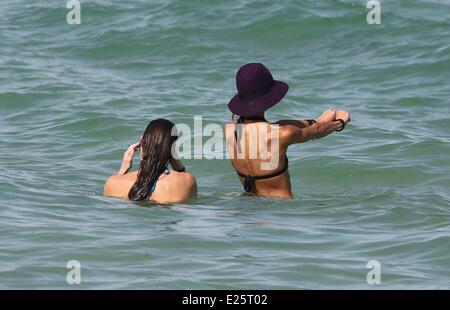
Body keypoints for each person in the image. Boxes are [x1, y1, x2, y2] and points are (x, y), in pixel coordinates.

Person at [225, 63, 351, 199]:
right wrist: (340, 122)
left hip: (249, 206)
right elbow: (316, 132)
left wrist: (317, 121)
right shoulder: (283, 133)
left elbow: (271, 128)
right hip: (279, 210)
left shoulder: (229, 130)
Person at [104, 119, 197, 203]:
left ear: (142, 143)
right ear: (172, 150)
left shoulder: (112, 182)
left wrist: (122, 170)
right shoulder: (187, 180)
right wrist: (179, 166)